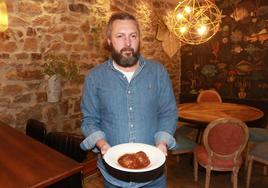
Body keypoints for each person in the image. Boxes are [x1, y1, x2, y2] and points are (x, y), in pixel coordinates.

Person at [80, 11, 178, 188]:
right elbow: (89, 120)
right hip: (113, 176)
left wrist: (162, 143)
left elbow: (168, 112)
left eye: (133, 36)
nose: (128, 43)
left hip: (153, 176)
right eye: (120, 36)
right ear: (109, 41)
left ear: (139, 39)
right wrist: (102, 146)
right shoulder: (94, 78)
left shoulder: (158, 73)